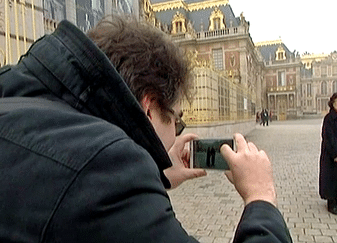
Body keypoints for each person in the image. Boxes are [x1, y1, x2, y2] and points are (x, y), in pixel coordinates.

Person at [0, 16, 292, 242]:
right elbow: (92, 181)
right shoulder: (110, 172)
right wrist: (261, 198)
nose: (176, 133)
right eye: (177, 120)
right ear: (149, 106)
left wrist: (158, 173)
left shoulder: (13, 90)